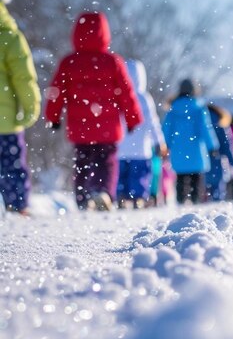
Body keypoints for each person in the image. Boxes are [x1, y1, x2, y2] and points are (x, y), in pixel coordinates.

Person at [45, 11, 142, 210]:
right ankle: (103, 191)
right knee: (106, 162)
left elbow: (56, 92)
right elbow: (127, 93)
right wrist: (133, 119)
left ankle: (82, 197)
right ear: (105, 33)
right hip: (107, 127)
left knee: (83, 161)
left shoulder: (69, 62)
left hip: (80, 127)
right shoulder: (113, 62)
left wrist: (53, 117)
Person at [0, 0, 41, 214]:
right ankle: (18, 206)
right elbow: (23, 78)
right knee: (12, 166)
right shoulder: (10, 37)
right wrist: (30, 107)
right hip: (7, 123)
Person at [117, 59, 165, 209]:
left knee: (121, 176)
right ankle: (138, 198)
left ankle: (121, 197)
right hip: (140, 148)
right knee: (139, 177)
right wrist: (159, 142)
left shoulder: (118, 95)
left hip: (120, 148)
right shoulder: (144, 98)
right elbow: (153, 123)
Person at [162, 78, 218, 205]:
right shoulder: (199, 109)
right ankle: (195, 202)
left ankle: (180, 202)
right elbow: (205, 129)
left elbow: (166, 130)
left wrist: (165, 146)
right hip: (196, 151)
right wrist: (212, 146)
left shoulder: (172, 110)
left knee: (180, 179)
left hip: (179, 151)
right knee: (196, 180)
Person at [205, 103, 233, 201]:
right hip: (217, 160)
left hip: (203, 160)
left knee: (203, 190)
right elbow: (227, 145)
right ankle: (216, 208)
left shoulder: (200, 121)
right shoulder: (220, 123)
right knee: (218, 189)